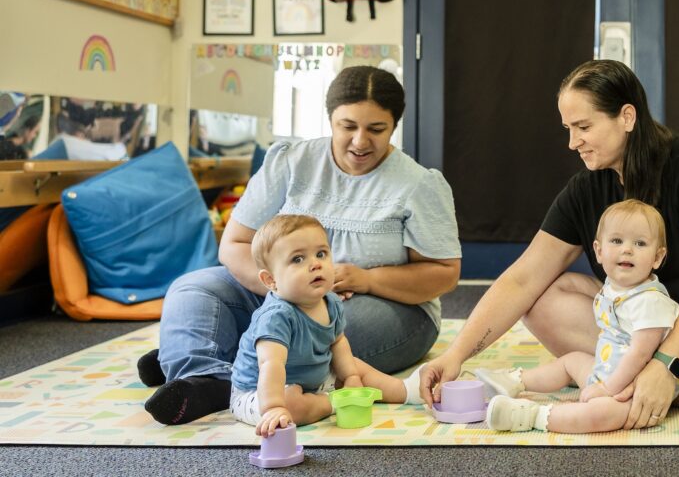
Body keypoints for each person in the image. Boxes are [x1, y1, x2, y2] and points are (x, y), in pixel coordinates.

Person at [420, 59, 679, 430]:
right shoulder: (586, 189)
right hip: (637, 339)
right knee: (542, 297)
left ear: (627, 117)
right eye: (568, 128)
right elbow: (522, 279)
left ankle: (624, 386)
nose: (572, 142)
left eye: (583, 127)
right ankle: (630, 384)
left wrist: (667, 366)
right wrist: (455, 356)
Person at [139, 66, 461, 425]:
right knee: (192, 288)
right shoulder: (290, 162)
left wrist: (366, 280)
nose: (359, 141)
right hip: (280, 294)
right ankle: (203, 374)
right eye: (347, 126)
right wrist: (286, 291)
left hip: (385, 307)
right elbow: (234, 244)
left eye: (376, 129)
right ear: (331, 120)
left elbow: (444, 273)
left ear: (394, 126)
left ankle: (207, 357)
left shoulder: (418, 184)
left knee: (326, 328)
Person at [477, 199, 679, 433]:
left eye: (640, 243)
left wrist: (607, 389)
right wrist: (601, 381)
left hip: (632, 388)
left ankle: (533, 416)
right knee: (571, 361)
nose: (627, 249)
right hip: (603, 370)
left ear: (657, 257)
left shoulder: (651, 301)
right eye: (616, 240)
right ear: (599, 251)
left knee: (600, 415)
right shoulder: (615, 287)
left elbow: (640, 354)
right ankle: (516, 381)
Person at [230, 214, 425, 435]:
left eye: (321, 254)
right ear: (271, 281)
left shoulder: (330, 301)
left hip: (313, 378)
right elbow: (270, 365)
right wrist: (275, 407)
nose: (315, 264)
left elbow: (338, 342)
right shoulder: (277, 316)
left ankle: (404, 390)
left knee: (356, 367)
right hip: (260, 392)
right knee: (291, 406)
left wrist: (350, 376)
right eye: (297, 259)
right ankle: (334, 402)